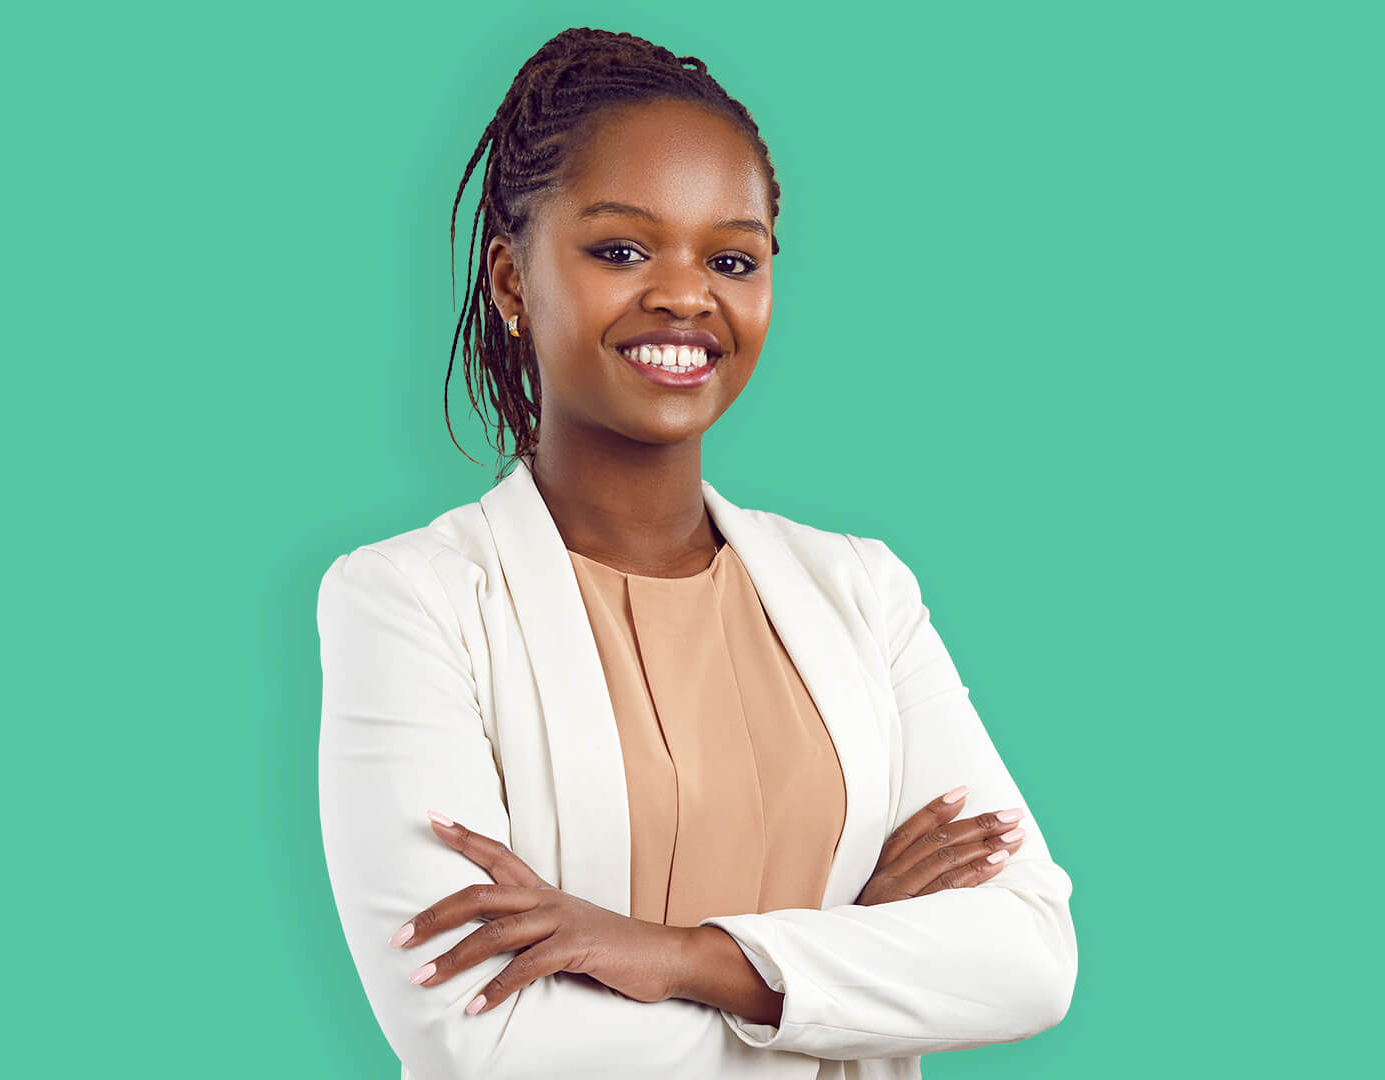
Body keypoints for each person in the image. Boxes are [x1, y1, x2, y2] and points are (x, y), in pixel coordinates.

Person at [317, 27, 1077, 1080]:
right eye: (621, 249)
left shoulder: (862, 591)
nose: (686, 295)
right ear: (511, 281)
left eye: (732, 258)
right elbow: (483, 1038)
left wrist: (681, 957)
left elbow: (1031, 958)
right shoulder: (408, 603)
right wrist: (846, 961)